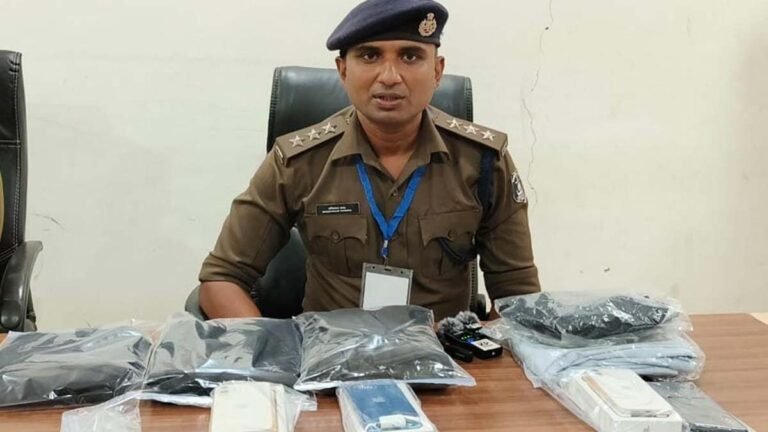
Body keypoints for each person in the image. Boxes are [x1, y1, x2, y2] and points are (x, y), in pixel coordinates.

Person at [198, 0, 540, 321]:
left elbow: (518, 295)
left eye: (410, 56)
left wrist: (487, 358)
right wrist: (275, 354)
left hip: (443, 354)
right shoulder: (297, 162)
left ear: (437, 71)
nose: (389, 76)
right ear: (343, 70)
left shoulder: (483, 161)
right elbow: (222, 279)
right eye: (370, 55)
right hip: (329, 355)